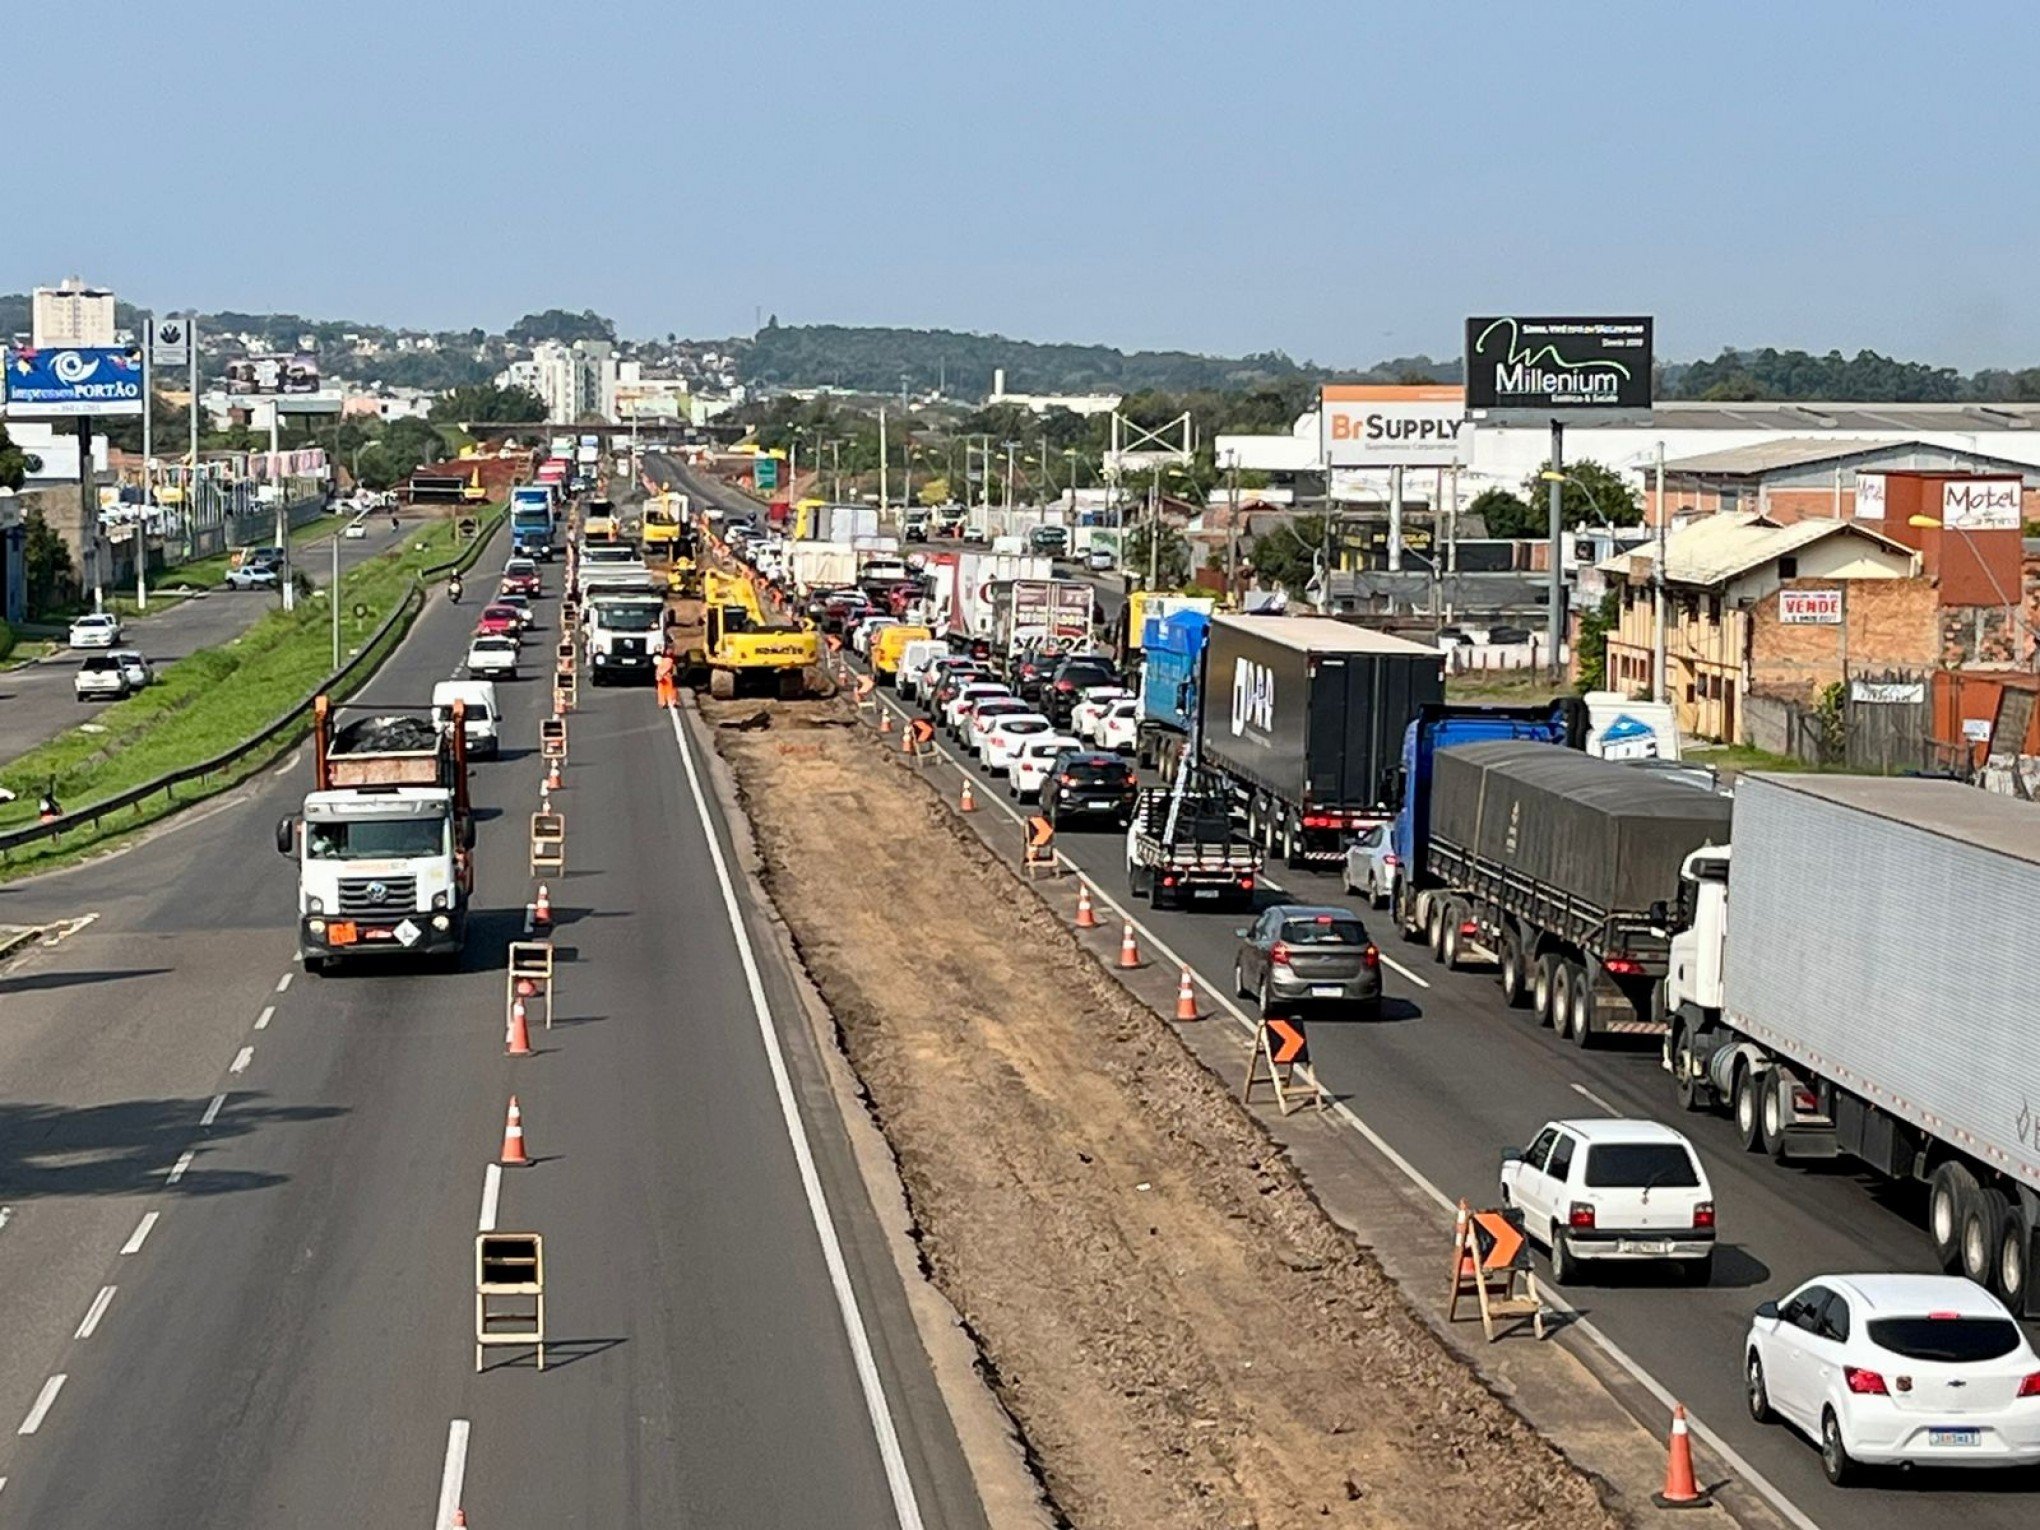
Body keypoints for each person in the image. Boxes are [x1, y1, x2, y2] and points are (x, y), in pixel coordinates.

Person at [653, 645, 678, 710]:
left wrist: (659, 674)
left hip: (665, 676)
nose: (670, 651)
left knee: (668, 689)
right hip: (665, 676)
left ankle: (667, 702)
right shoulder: (667, 659)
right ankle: (665, 702)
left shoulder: (667, 659)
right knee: (665, 689)